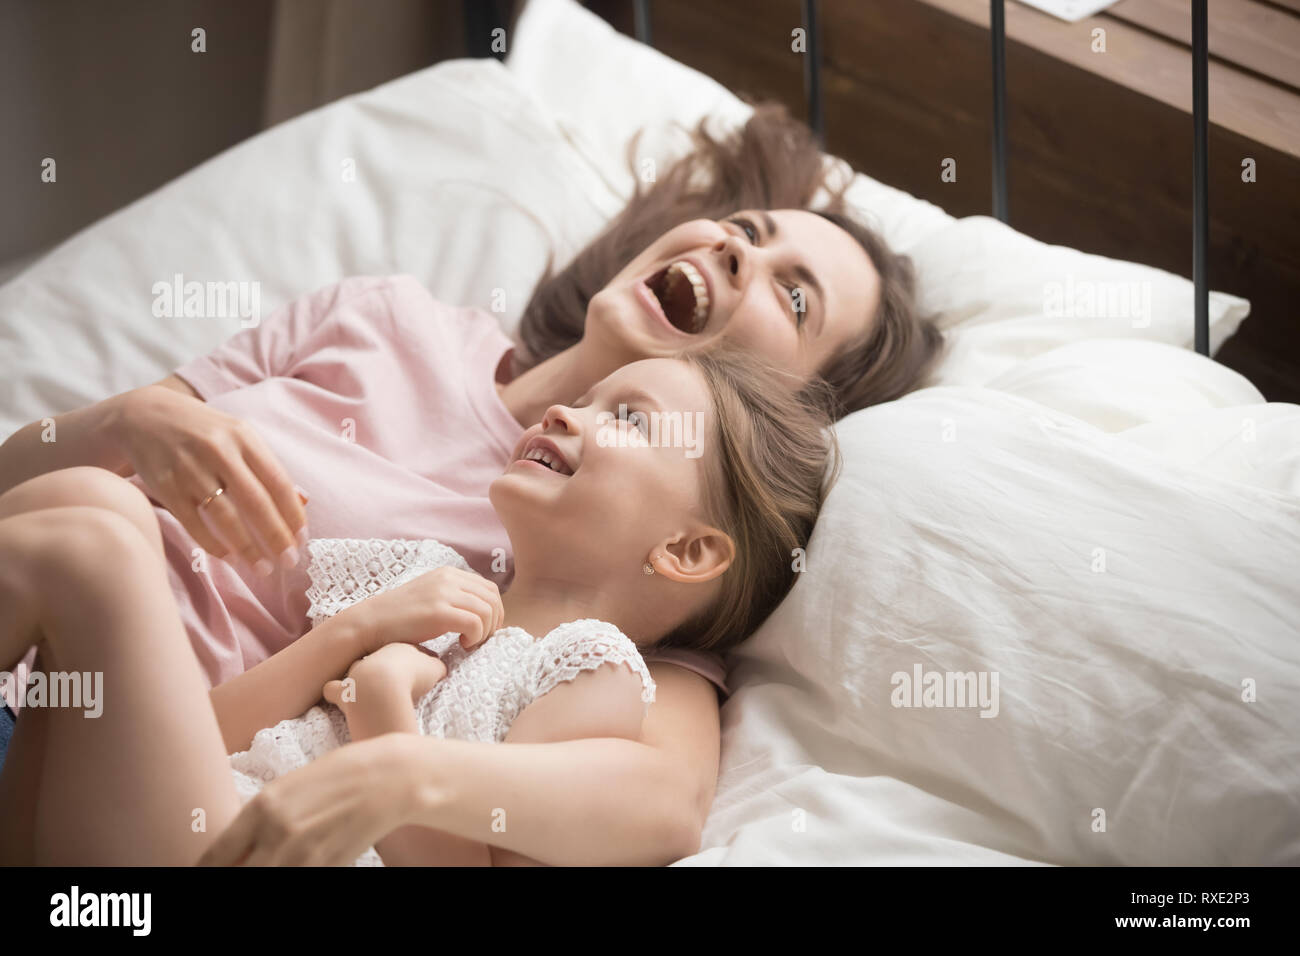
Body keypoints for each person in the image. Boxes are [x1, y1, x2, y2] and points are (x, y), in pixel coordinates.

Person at [0, 102, 943, 865]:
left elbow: (663, 802)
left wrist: (396, 764)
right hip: (31, 655)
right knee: (93, 502)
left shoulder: (607, 568)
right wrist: (118, 422)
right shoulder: (379, 316)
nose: (741, 251)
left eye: (793, 295)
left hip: (105, 774)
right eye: (744, 229)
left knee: (96, 527)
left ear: (783, 409)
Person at [0, 351, 837, 865]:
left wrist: (383, 706)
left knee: (95, 554)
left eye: (624, 418)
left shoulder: (590, 672)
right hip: (153, 837)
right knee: (91, 501)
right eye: (586, 398)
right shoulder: (419, 582)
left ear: (685, 552)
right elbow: (207, 731)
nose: (566, 412)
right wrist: (353, 635)